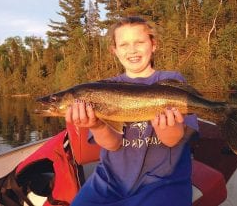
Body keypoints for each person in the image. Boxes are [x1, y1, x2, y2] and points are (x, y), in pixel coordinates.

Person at [66, 16, 198, 206]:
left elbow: (172, 139)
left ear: (153, 45)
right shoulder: (104, 88)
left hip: (163, 182)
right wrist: (95, 124)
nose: (132, 50)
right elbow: (112, 144)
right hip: (110, 182)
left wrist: (166, 128)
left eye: (139, 42)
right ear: (115, 51)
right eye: (124, 44)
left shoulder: (172, 80)